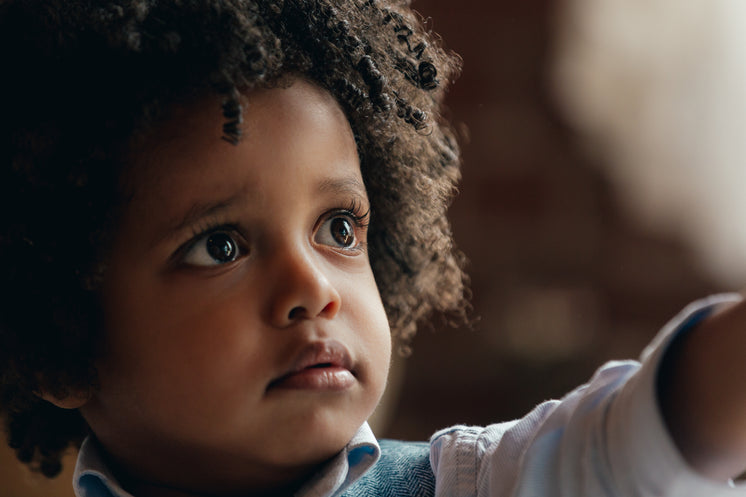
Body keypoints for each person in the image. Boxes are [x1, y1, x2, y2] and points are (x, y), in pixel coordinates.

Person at [0, 1, 744, 497]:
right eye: (220, 245)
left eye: (338, 229)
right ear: (59, 344)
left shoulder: (471, 482)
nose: (312, 285)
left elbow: (625, 446)